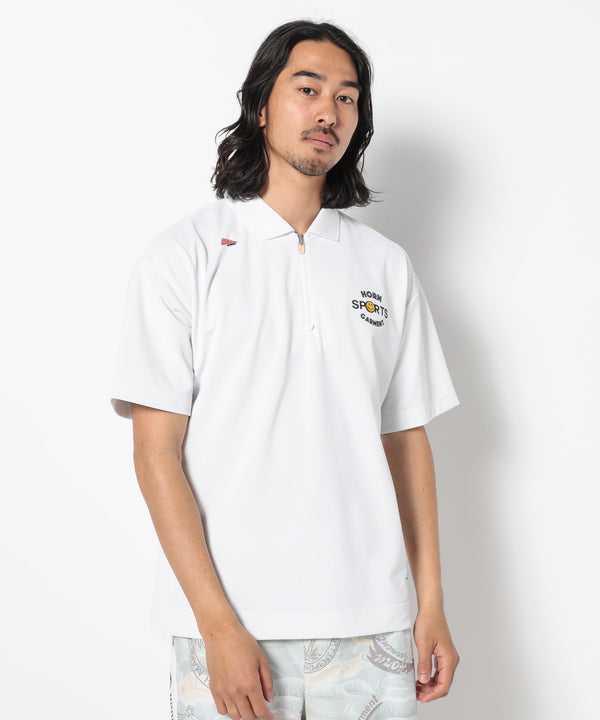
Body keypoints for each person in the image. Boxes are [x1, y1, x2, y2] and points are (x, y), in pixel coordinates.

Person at [110, 19, 460, 720]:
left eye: (347, 97)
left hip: (372, 623)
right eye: (308, 89)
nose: (329, 110)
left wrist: (431, 605)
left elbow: (405, 440)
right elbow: (155, 453)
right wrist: (217, 625)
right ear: (261, 105)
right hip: (229, 624)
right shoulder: (184, 256)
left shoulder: (384, 267)